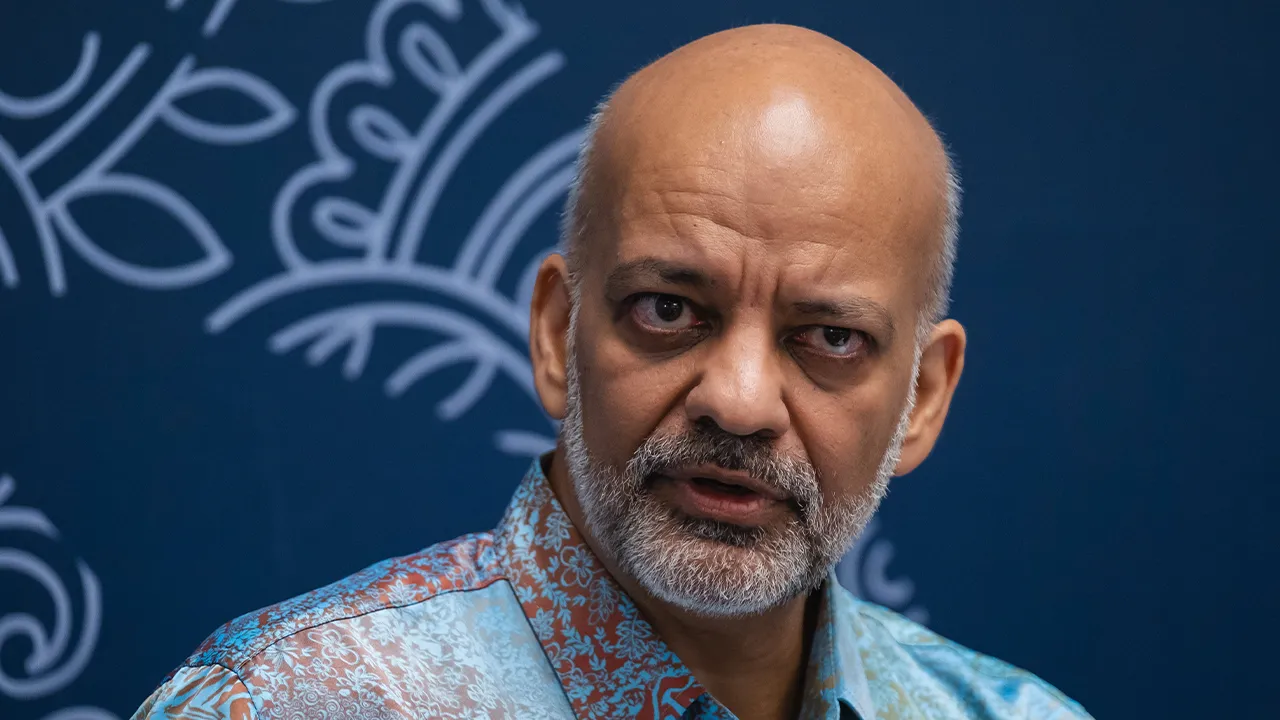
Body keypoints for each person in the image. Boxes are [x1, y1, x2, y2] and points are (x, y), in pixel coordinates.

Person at [132, 23, 1091, 720]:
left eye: (828, 337)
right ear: (558, 335)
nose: (741, 400)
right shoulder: (291, 705)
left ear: (922, 398)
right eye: (669, 311)